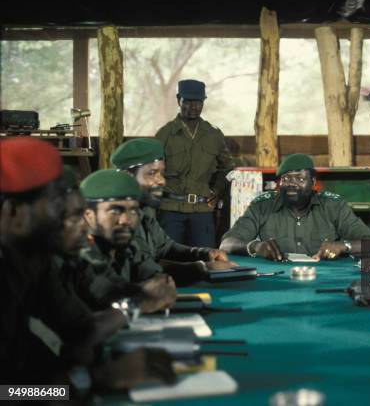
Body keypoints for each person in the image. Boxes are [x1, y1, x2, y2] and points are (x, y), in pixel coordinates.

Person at [0, 137, 175, 390]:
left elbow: (79, 329)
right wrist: (94, 379)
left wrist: (135, 304)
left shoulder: (35, 262)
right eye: (62, 212)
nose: (82, 225)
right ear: (14, 213)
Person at [111, 138, 236, 283]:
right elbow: (141, 269)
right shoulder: (115, 219)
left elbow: (167, 248)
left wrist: (205, 254)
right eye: (152, 173)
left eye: (162, 173)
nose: (162, 181)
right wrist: (201, 268)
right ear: (128, 176)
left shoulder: (143, 212)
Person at [220, 153, 370, 261]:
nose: (291, 184)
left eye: (300, 179)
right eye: (286, 178)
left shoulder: (333, 206)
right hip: (277, 280)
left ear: (313, 183)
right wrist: (256, 246)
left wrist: (343, 246)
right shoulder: (262, 205)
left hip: (324, 278)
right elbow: (226, 244)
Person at [79, 169, 177, 311]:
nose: (126, 220)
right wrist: (140, 298)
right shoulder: (81, 253)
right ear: (89, 216)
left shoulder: (126, 249)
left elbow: (153, 274)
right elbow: (103, 293)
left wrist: (162, 283)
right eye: (115, 211)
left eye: (132, 211)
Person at [155, 79, 235, 248]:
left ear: (203, 103)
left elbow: (228, 167)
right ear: (178, 100)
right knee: (170, 261)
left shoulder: (213, 134)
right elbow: (152, 169)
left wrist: (218, 190)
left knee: (207, 262)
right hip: (171, 210)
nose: (193, 107)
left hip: (202, 211)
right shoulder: (165, 134)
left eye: (198, 102)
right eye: (187, 102)